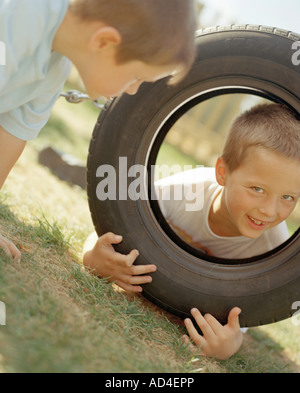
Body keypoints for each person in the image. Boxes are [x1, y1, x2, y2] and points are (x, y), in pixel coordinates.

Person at [83, 103, 300, 360]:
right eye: (257, 189)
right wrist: (93, 257)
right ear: (223, 173)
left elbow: (241, 315)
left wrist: (230, 344)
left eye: (288, 197)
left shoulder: (277, 252)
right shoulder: (186, 190)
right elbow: (113, 229)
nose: (269, 210)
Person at [0, 0, 197, 259]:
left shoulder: (54, 68)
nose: (132, 89)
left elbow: (12, 133)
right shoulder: (18, 17)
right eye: (136, 76)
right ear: (104, 42)